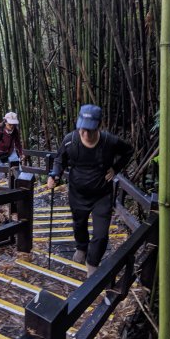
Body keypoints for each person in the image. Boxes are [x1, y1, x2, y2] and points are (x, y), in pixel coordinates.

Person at [47, 104, 133, 277]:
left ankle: (92, 262)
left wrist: (115, 168)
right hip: (77, 193)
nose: (85, 133)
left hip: (102, 195)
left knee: (101, 235)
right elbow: (59, 159)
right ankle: (81, 247)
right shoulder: (70, 140)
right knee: (79, 225)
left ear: (99, 125)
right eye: (82, 129)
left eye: (90, 129)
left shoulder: (109, 141)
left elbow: (128, 151)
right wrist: (54, 174)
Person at [0, 112, 24, 186]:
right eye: (10, 124)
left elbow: (18, 143)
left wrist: (21, 154)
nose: (12, 126)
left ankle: (18, 187)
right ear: (5, 122)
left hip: (10, 151)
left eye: (13, 124)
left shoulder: (15, 131)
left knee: (17, 168)